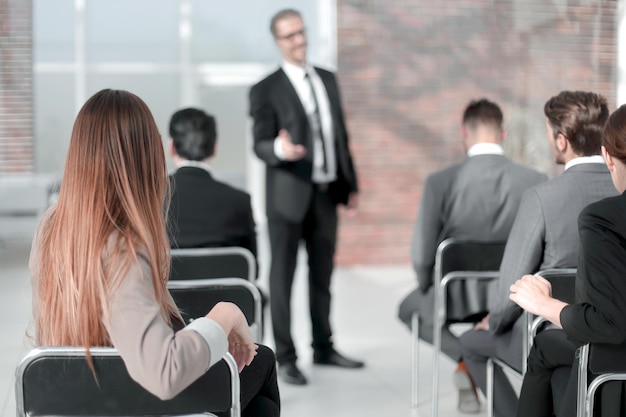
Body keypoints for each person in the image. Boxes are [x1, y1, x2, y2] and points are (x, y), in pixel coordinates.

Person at [30, 89, 280, 417]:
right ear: (147, 159)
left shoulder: (53, 227)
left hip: (80, 395)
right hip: (131, 397)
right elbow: (163, 372)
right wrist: (225, 314)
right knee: (260, 365)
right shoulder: (123, 250)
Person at [459, 90, 617, 416]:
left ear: (561, 141)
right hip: (611, 332)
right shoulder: (619, 191)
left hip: (553, 329)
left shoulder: (543, 197)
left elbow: (512, 286)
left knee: (472, 343)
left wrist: (494, 323)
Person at [397, 98, 546, 412]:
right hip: (511, 296)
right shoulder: (534, 181)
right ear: (503, 133)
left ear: (465, 133)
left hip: (454, 294)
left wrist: (428, 285)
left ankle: (466, 362)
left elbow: (422, 252)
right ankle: (476, 360)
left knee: (409, 308)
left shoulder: (441, 182)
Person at [249, 8, 362, 385]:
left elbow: (340, 136)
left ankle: (324, 347)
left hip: (326, 194)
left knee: (322, 276)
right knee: (282, 279)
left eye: (301, 32)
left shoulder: (327, 79)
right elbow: (260, 143)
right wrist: (280, 149)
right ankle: (285, 356)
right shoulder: (265, 88)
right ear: (278, 42)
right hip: (286, 197)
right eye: (289, 36)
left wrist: (350, 185)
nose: (299, 40)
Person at [509, 103, 626, 417]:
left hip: (614, 370)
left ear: (609, 157)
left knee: (545, 347)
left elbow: (610, 325)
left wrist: (543, 305)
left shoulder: (604, 219)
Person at [167, 108, 257, 256]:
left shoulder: (148, 198)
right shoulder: (239, 201)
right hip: (221, 279)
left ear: (171, 147)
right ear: (215, 148)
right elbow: (251, 268)